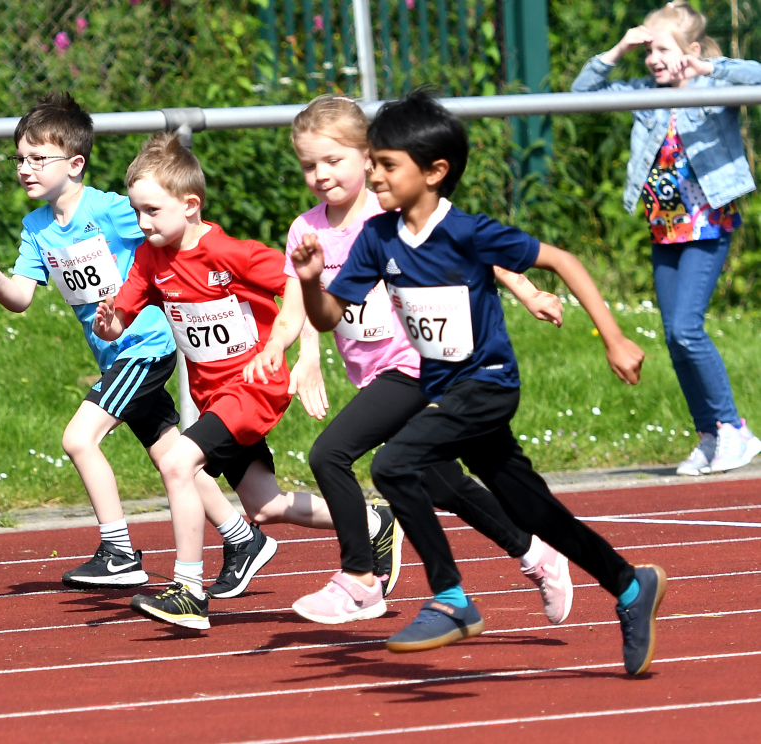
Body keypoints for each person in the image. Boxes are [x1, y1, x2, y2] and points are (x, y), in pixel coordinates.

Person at [293, 89, 667, 676]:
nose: (375, 174)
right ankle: (629, 584)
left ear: (435, 171)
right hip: (448, 393)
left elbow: (562, 259)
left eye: (387, 164)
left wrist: (615, 338)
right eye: (375, 162)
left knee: (394, 465)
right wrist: (314, 283)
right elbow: (328, 318)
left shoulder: (468, 232)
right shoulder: (378, 237)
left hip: (488, 384)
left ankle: (450, 598)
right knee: (536, 511)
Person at [244, 95, 575, 626]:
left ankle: (360, 580)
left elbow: (473, 249)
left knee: (330, 453)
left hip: (419, 364)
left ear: (368, 157)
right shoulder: (306, 230)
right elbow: (297, 304)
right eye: (309, 165)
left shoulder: (390, 212)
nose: (320, 175)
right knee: (443, 482)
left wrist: (528, 289)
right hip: (373, 372)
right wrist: (280, 350)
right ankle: (537, 555)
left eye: (334, 161)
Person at [93, 132, 401, 630]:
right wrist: (110, 323)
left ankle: (188, 589)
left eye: (152, 211)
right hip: (213, 394)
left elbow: (298, 283)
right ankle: (373, 523)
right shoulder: (150, 259)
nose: (142, 223)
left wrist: (303, 354)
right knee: (264, 506)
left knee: (176, 461)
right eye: (136, 213)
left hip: (255, 384)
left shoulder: (229, 253)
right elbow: (122, 311)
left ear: (190, 205)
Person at [0, 93, 260, 591]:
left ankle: (119, 551)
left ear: (75, 163)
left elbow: (174, 227)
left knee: (79, 438)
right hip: (112, 354)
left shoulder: (113, 211)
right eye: (20, 158)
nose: (26, 168)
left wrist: (211, 281)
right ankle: (241, 536)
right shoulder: (36, 228)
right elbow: (19, 298)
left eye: (40, 158)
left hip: (145, 348)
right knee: (171, 453)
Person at [572, 0, 761, 476]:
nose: (653, 58)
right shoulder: (641, 91)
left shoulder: (712, 88)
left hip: (707, 225)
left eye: (662, 49)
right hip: (664, 231)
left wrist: (706, 66)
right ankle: (710, 433)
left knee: (685, 329)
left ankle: (734, 429)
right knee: (674, 339)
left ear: (690, 50)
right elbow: (580, 92)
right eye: (647, 50)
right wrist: (619, 48)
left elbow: (756, 77)